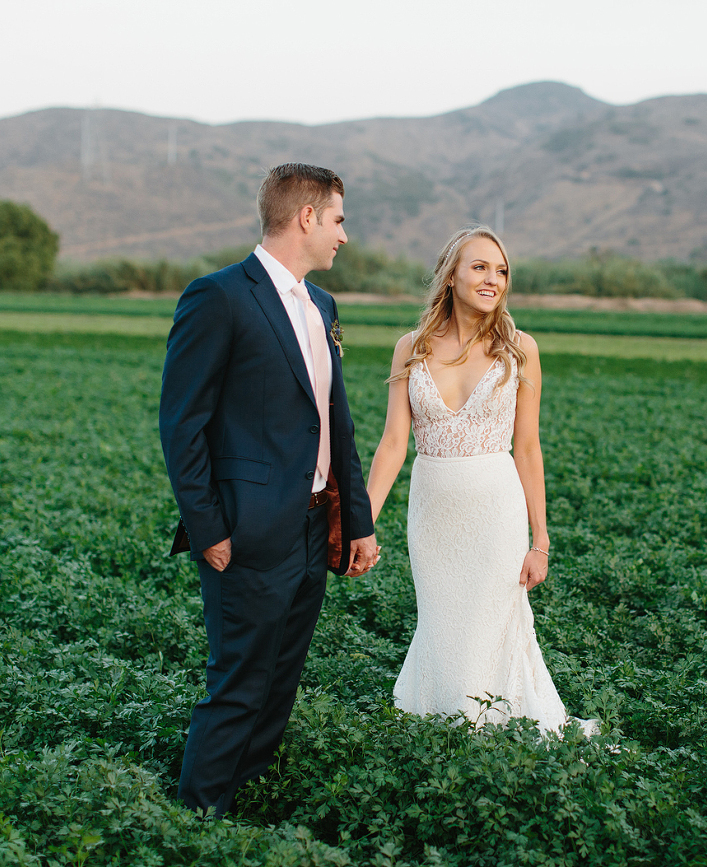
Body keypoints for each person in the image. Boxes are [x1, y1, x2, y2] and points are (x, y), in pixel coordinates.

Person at [159, 163, 379, 817]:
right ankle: (197, 817)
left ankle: (245, 802)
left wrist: (358, 521)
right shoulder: (219, 295)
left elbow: (336, 423)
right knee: (238, 681)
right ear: (306, 216)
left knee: (280, 677)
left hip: (314, 527)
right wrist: (209, 531)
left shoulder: (323, 307)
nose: (344, 235)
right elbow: (182, 424)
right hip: (246, 530)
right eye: (338, 219)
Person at [365, 225, 595, 735]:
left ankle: (482, 735)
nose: (493, 279)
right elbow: (393, 445)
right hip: (433, 517)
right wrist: (362, 523)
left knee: (485, 630)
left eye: (502, 270)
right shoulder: (412, 346)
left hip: (497, 513)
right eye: (480, 267)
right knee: (443, 627)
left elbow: (528, 449)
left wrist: (541, 540)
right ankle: (445, 730)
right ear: (451, 275)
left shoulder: (520, 348)